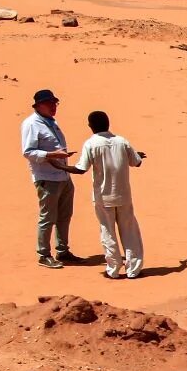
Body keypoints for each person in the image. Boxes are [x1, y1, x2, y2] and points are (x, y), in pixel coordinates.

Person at [73, 109, 148, 278]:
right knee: (129, 231)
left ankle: (113, 269)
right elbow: (136, 162)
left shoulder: (91, 144)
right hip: (123, 195)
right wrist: (137, 155)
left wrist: (60, 166)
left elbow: (80, 168)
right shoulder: (121, 141)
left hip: (103, 197)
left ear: (90, 126)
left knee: (108, 232)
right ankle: (133, 269)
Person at [21, 88, 77, 267]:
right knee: (48, 217)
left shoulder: (51, 122)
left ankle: (63, 251)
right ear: (38, 106)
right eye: (49, 103)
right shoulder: (31, 124)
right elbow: (28, 152)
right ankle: (44, 254)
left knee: (64, 215)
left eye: (55, 103)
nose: (53, 106)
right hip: (47, 178)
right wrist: (52, 155)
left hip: (63, 175)